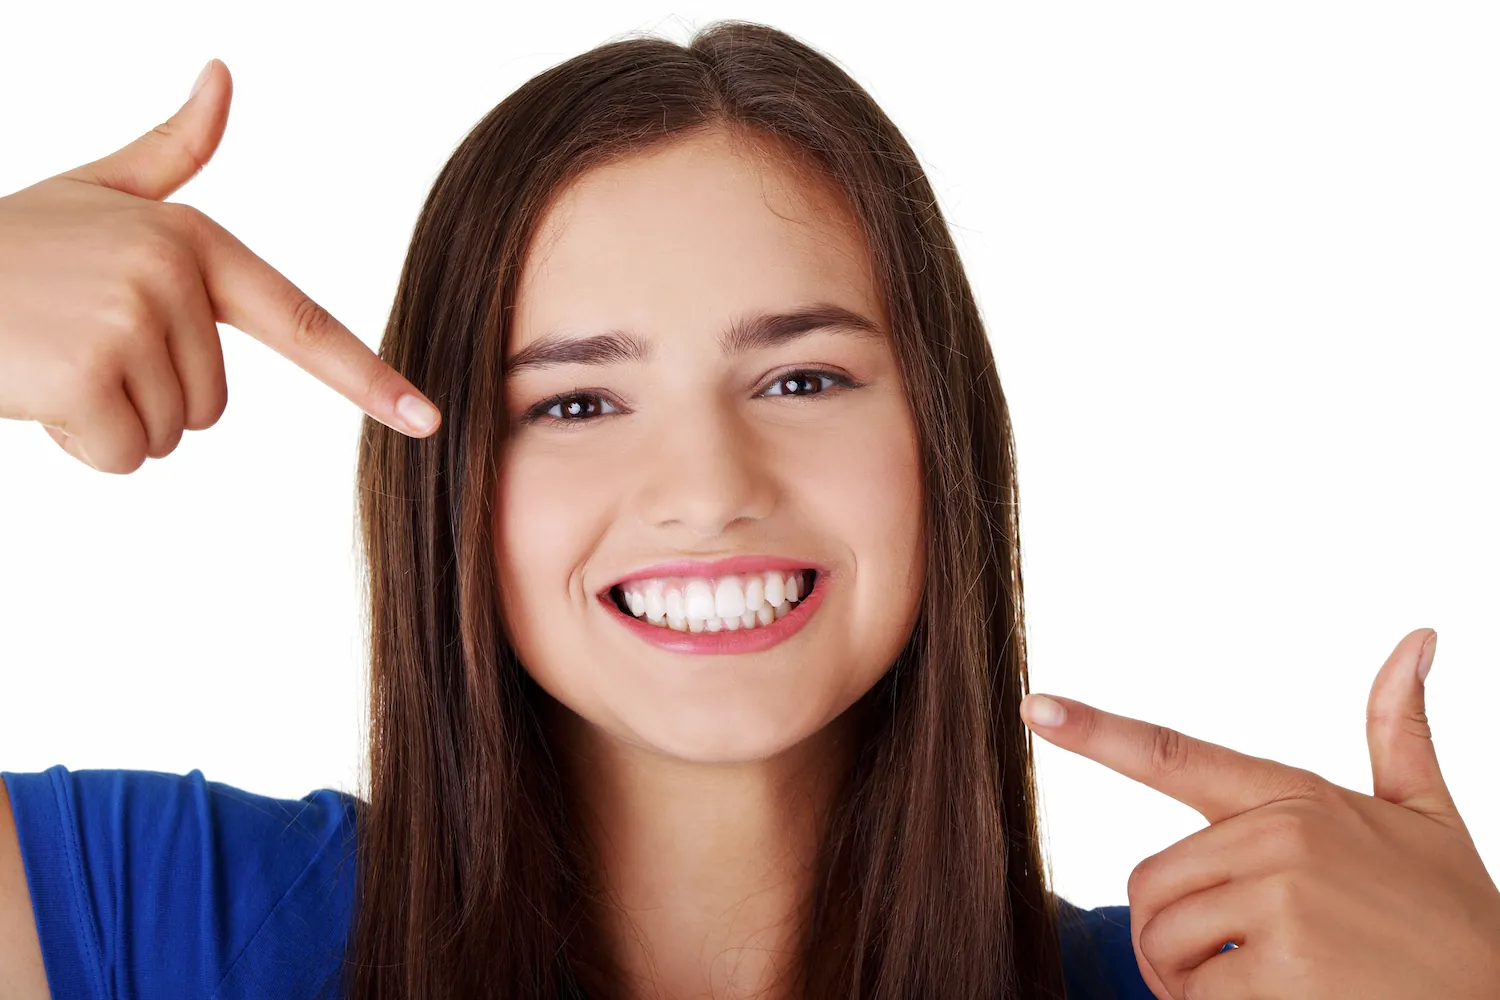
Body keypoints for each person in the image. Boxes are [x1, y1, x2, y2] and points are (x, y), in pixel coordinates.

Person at [3, 20, 1497, 1000]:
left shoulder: (1240, 988)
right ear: (448, 484)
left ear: (943, 437)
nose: (711, 489)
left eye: (801, 381)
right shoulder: (152, 920)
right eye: (577, 403)